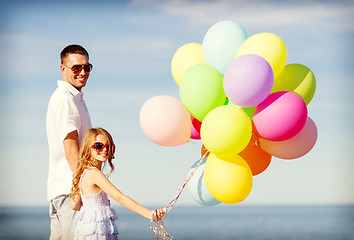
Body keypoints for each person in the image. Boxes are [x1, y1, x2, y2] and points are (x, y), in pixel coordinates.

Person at [71, 128, 166, 239]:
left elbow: (74, 205)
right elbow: (120, 197)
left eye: (109, 146)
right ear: (88, 147)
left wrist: (98, 204)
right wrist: (149, 214)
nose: (104, 149)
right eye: (98, 146)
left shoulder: (83, 173)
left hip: (87, 230)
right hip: (98, 232)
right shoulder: (94, 173)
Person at [46, 44, 93, 239]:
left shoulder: (74, 98)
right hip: (72, 193)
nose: (82, 72)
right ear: (63, 68)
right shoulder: (65, 98)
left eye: (87, 67)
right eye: (76, 68)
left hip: (62, 191)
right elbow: (71, 151)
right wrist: (86, 188)